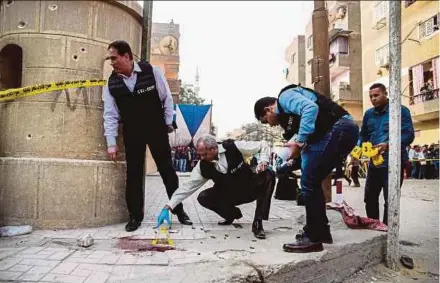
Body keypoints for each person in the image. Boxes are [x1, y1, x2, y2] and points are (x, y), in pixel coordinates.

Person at [254, 84, 359, 253]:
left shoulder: (285, 97)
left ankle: (314, 237)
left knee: (309, 181)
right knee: (312, 180)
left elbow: (311, 108)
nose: (270, 125)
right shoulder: (291, 121)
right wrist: (290, 160)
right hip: (342, 130)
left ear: (268, 110)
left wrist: (300, 140)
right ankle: (321, 231)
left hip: (340, 127)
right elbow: (304, 147)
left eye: (266, 121)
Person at [103, 40, 192, 232]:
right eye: (110, 58)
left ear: (127, 56)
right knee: (133, 174)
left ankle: (179, 210)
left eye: (114, 57)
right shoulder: (112, 83)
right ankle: (135, 216)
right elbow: (110, 114)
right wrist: (111, 142)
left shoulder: (151, 71)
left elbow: (167, 98)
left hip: (155, 128)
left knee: (167, 171)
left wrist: (168, 122)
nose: (111, 62)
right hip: (132, 132)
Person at [156, 134, 276, 239]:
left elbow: (263, 145)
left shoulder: (233, 147)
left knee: (269, 175)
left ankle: (258, 222)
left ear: (213, 149)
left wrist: (264, 161)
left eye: (204, 154)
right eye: (200, 155)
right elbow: (187, 187)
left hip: (248, 188)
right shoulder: (202, 166)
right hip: (229, 194)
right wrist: (168, 207)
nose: (202, 158)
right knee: (203, 197)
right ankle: (231, 214)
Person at [359, 83, 414, 225]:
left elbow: (409, 135)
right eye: (371, 96)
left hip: (394, 164)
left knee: (390, 201)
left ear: (385, 94)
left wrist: (389, 145)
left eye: (376, 95)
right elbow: (363, 135)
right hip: (374, 164)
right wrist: (358, 151)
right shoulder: (369, 114)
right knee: (369, 198)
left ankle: (387, 232)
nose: (373, 99)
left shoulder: (400, 111)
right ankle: (374, 226)